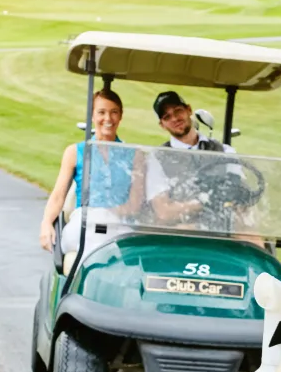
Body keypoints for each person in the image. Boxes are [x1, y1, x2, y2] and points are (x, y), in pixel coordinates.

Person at [37, 89, 142, 255]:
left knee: (109, 246)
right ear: (92, 116)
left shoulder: (135, 155)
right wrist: (46, 223)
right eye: (101, 112)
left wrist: (107, 215)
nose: (108, 119)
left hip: (118, 224)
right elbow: (58, 195)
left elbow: (135, 204)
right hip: (84, 223)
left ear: (120, 116)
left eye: (114, 112)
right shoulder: (75, 152)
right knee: (95, 244)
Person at [146, 90, 234, 225]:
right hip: (182, 231)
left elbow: (239, 195)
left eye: (178, 111)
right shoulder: (158, 158)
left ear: (189, 110)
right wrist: (205, 202)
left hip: (221, 227)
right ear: (162, 125)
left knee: (250, 234)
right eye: (167, 117)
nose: (175, 119)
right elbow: (164, 212)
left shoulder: (224, 151)